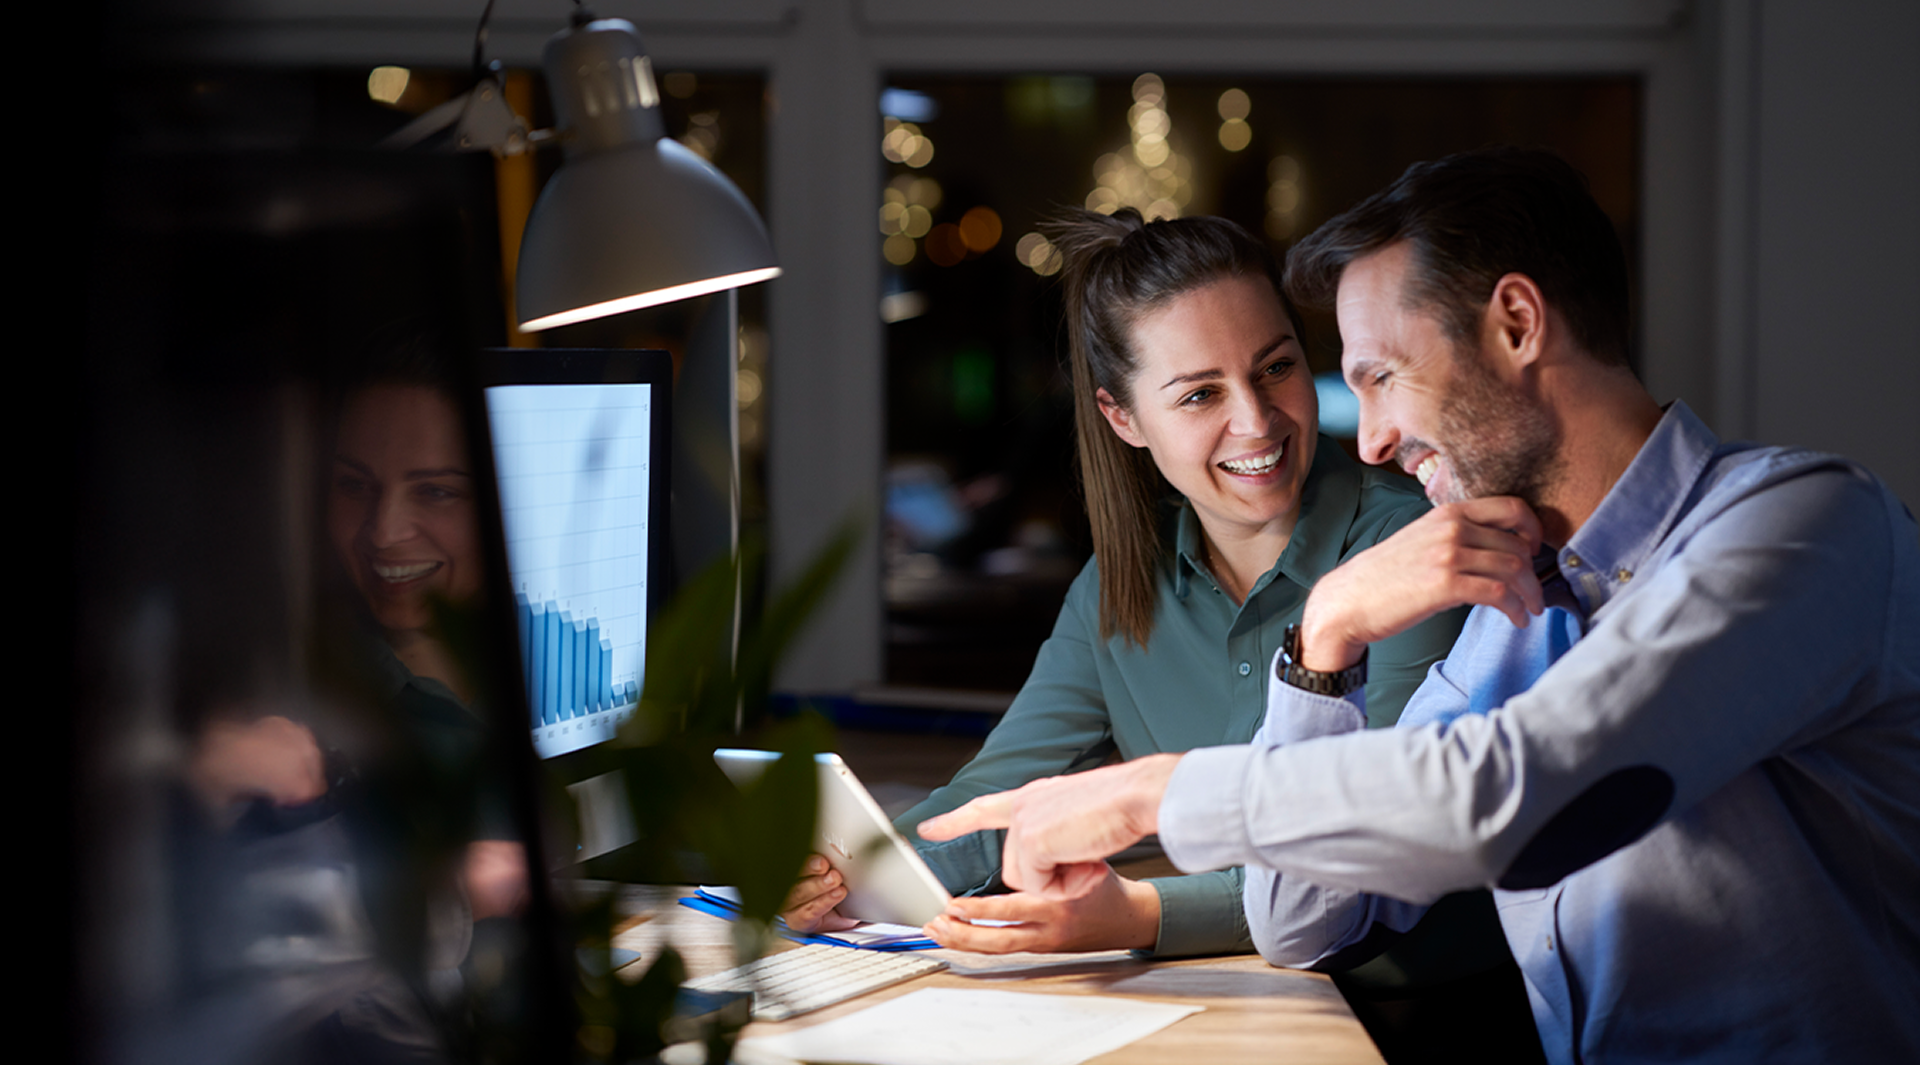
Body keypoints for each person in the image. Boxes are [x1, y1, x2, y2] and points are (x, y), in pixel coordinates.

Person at [920, 148, 1920, 1062]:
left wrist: (1148, 794)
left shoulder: (1805, 526)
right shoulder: (1518, 606)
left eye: (1382, 378)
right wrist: (1324, 642)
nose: (1372, 439)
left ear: (1517, 325)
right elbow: (1301, 921)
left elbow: (1520, 799)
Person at [790, 209, 1473, 966]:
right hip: (1243, 997)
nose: (1255, 420)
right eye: (1199, 395)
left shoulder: (1410, 549)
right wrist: (855, 873)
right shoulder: (1120, 583)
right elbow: (997, 795)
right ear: (1123, 417)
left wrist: (1135, 915)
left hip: (1412, 1013)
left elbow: (1360, 854)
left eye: (1275, 368)